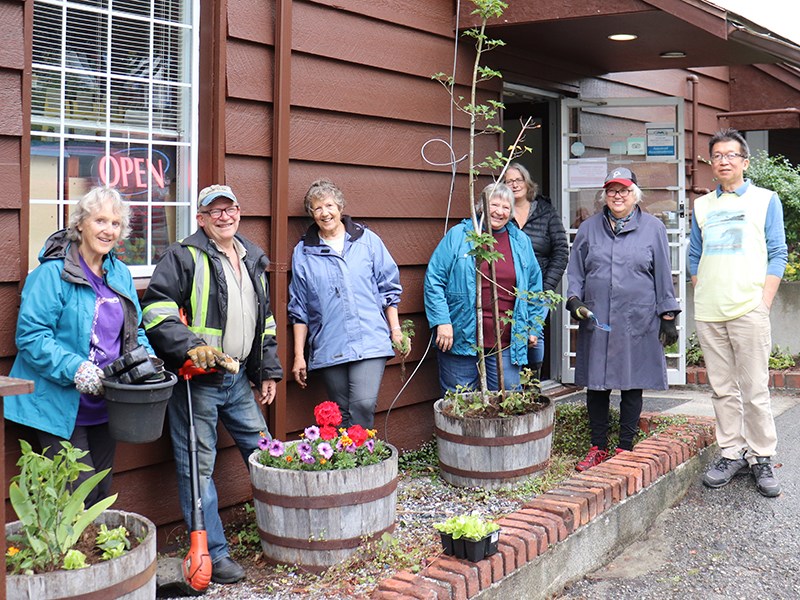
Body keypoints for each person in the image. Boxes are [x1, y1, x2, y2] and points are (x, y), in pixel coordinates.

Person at [142, 184, 283, 584]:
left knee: (265, 454)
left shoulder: (252, 255)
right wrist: (191, 347)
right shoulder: (182, 256)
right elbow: (156, 311)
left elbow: (265, 322)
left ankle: (280, 530)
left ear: (239, 212)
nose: (224, 216)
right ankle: (214, 554)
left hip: (237, 379)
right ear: (200, 218)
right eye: (214, 211)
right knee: (198, 468)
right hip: (197, 382)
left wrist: (266, 370)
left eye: (230, 208)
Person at [5, 187, 153, 507]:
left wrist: (148, 358)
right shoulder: (51, 274)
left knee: (100, 491)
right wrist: (77, 368)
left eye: (115, 223)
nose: (108, 230)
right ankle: (76, 557)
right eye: (100, 220)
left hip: (108, 402)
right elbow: (31, 336)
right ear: (81, 224)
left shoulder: (120, 273)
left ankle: (98, 557)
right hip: (59, 406)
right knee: (76, 498)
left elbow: (134, 329)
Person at [689, 128, 787, 497]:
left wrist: (763, 303)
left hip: (749, 309)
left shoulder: (765, 200)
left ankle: (762, 457)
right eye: (717, 156)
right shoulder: (702, 206)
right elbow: (694, 254)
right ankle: (730, 452)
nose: (724, 161)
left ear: (745, 162)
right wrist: (703, 286)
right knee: (721, 389)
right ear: (711, 163)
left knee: (755, 389)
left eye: (731, 155)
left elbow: (778, 252)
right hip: (710, 312)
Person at [566, 168, 679, 471]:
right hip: (598, 315)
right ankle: (598, 446)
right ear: (604, 195)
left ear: (635, 194)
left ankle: (624, 447)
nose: (617, 196)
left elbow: (662, 274)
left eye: (624, 190)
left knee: (633, 382)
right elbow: (576, 270)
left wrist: (667, 314)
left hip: (637, 316)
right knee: (596, 382)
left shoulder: (652, 227)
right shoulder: (589, 228)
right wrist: (573, 298)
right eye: (612, 190)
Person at [289, 179, 407, 428]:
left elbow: (389, 288)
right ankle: (353, 464)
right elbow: (299, 308)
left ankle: (363, 459)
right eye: (317, 208)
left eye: (329, 205)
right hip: (329, 342)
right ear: (312, 214)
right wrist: (299, 356)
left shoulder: (367, 241)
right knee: (340, 412)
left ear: (340, 207)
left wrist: (395, 330)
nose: (325, 213)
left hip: (370, 336)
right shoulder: (304, 252)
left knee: (362, 404)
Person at [425, 182, 546, 394]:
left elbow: (534, 288)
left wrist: (533, 327)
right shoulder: (459, 235)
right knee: (460, 402)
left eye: (506, 207)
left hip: (506, 341)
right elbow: (434, 279)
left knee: (506, 400)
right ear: (482, 205)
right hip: (461, 337)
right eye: (494, 204)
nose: (500, 211)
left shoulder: (520, 241)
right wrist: (442, 320)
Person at [505, 163, 568, 379]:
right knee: (510, 331)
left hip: (539, 287)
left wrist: (546, 288)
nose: (514, 185)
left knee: (534, 333)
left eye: (518, 179)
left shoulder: (545, 211)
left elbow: (561, 251)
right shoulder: (501, 212)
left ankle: (531, 385)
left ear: (527, 182)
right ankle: (513, 382)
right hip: (507, 288)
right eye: (508, 181)